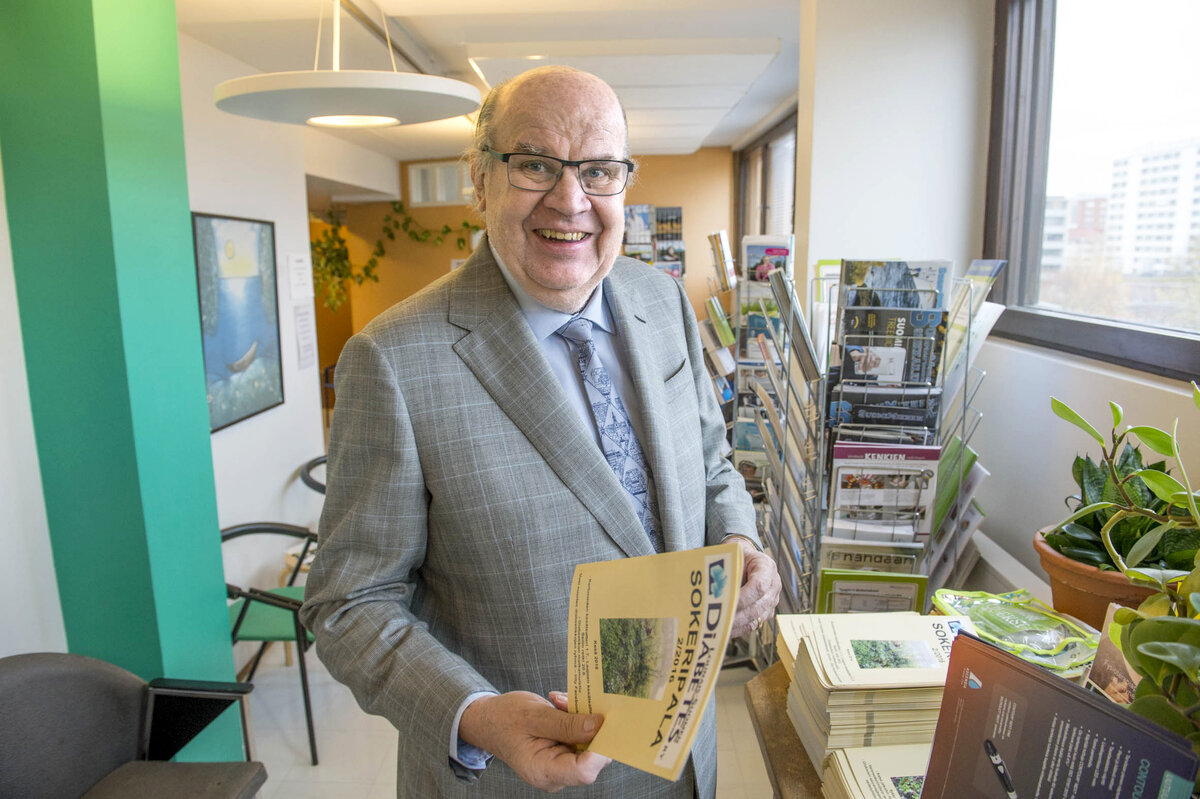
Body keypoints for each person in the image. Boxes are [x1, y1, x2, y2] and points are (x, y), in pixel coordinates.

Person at [300, 65, 782, 798]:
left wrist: (741, 540)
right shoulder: (392, 359)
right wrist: (475, 714)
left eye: (599, 171)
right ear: (480, 178)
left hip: (688, 764)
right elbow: (347, 603)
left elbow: (712, 464)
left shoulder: (661, 300)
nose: (570, 200)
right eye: (534, 165)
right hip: (515, 779)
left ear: (624, 181)